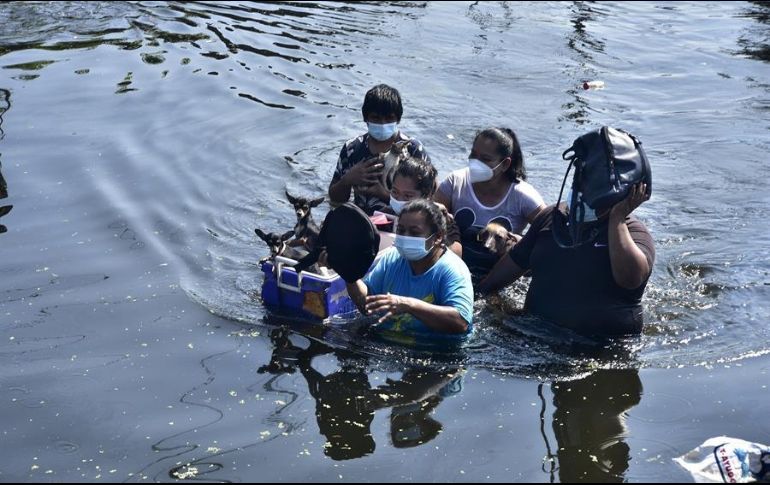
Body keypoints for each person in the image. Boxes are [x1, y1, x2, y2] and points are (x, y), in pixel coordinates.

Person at [478, 182, 654, 336]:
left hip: (600, 348)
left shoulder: (635, 234)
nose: (584, 191)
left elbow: (630, 279)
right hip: (535, 333)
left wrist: (617, 219)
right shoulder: (551, 219)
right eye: (582, 180)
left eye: (595, 187)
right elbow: (492, 283)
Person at [344, 199, 474, 341]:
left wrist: (409, 305)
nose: (405, 237)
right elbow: (368, 305)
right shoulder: (392, 257)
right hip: (389, 341)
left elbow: (460, 322)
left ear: (437, 237)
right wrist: (349, 275)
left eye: (414, 232)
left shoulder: (452, 270)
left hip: (435, 352)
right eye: (401, 230)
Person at [434, 127, 545, 278]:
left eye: (485, 159)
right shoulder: (456, 182)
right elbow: (428, 223)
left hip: (497, 273)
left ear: (505, 164)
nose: (475, 163)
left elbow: (548, 236)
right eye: (473, 155)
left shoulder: (523, 196)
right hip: (455, 266)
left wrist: (518, 243)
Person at [328, 84, 430, 215]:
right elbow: (335, 199)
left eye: (389, 118)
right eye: (376, 118)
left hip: (402, 224)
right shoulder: (352, 148)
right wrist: (348, 179)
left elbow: (429, 201)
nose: (382, 124)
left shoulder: (413, 150)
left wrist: (384, 194)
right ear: (366, 118)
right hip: (361, 221)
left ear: (398, 119)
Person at [380, 155, 462, 256]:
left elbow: (456, 254)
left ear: (426, 196)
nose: (399, 199)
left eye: (408, 196)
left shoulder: (441, 220)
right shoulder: (384, 215)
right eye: (395, 192)